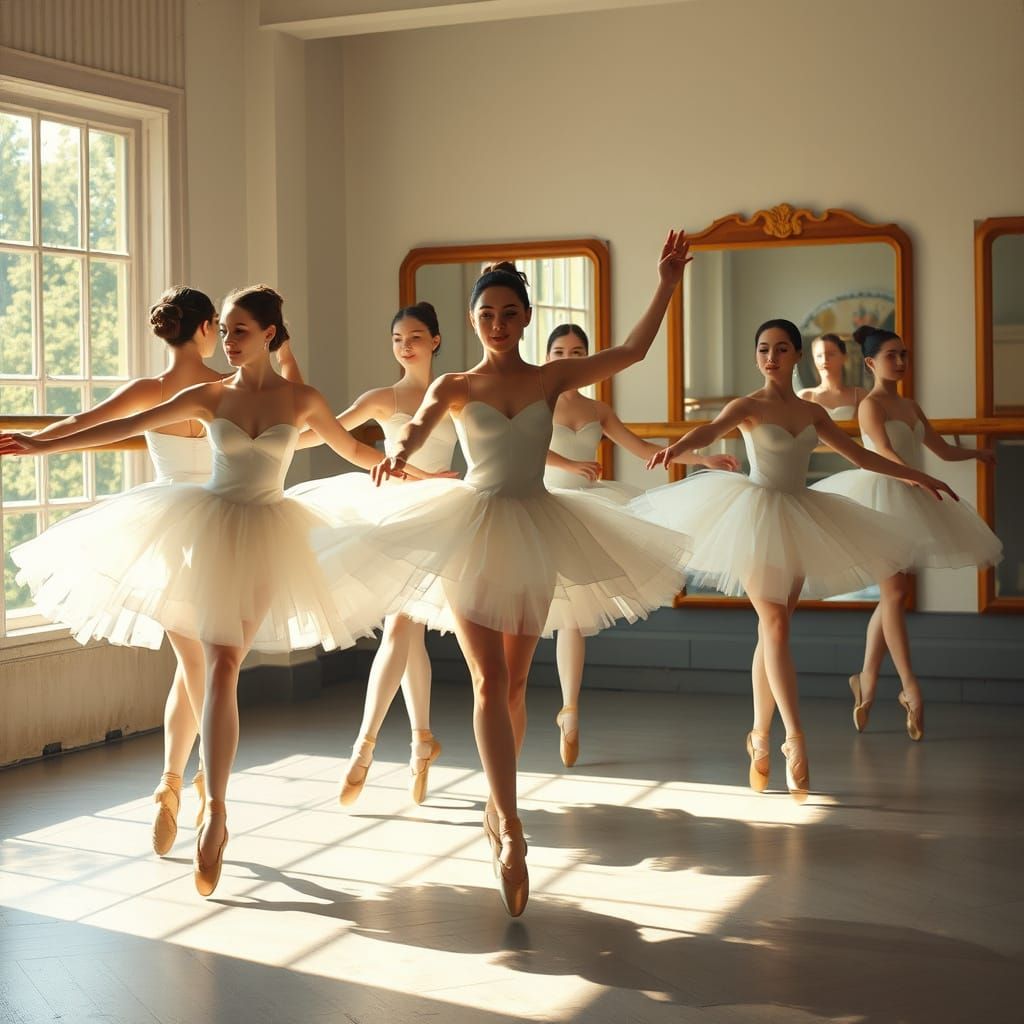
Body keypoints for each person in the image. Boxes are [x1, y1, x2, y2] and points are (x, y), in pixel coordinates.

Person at [1, 285, 397, 897]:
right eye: (226, 330)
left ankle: (185, 790)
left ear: (269, 333)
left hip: (270, 534)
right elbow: (121, 424)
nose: (230, 341)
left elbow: (354, 450)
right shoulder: (208, 395)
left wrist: (412, 469)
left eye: (241, 331)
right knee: (216, 668)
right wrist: (39, 443)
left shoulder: (303, 399)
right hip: (206, 530)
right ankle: (215, 810)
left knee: (221, 666)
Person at [358, 231, 695, 915]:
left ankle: (495, 798)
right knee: (486, 680)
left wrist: (665, 282)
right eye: (487, 315)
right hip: (472, 527)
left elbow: (630, 352)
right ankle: (511, 827)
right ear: (475, 321)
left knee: (513, 684)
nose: (498, 325)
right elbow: (421, 424)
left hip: (537, 526)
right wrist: (399, 457)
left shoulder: (551, 378)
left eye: (510, 314)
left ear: (527, 319)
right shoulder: (456, 383)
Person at [642, 319, 956, 801]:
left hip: (799, 517)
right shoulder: (747, 406)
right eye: (763, 349)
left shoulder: (813, 414)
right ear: (757, 357)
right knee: (776, 625)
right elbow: (710, 429)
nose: (771, 357)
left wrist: (920, 478)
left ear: (795, 357)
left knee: (773, 631)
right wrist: (678, 448)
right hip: (753, 514)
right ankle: (794, 738)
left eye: (781, 349)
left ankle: (758, 736)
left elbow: (863, 456)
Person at [19, 287, 226, 855]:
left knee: (191, 664)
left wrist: (37, 444)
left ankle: (170, 784)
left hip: (165, 525)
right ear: (208, 327)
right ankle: (205, 781)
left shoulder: (150, 390)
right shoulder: (225, 388)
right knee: (206, 663)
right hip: (219, 525)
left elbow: (89, 422)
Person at [542, 322, 738, 768]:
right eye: (559, 352)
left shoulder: (598, 409)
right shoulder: (536, 402)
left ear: (589, 361)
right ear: (547, 357)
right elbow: (524, 447)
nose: (568, 360)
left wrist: (699, 457)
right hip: (542, 507)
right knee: (525, 610)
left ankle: (569, 710)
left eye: (577, 353)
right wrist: (569, 462)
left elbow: (642, 447)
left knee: (572, 615)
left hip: (587, 512)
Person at [287, 302, 458, 804]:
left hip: (443, 513)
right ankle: (410, 742)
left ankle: (377, 746)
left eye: (416, 337)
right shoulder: (381, 398)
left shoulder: (457, 393)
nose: (406, 346)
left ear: (436, 341)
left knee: (408, 628)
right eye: (398, 339)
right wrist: (269, 440)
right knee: (405, 628)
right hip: (393, 515)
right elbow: (323, 431)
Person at [813, 326, 1001, 740]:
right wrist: (921, 481)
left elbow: (940, 449)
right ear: (870, 363)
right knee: (895, 595)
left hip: (912, 496)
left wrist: (976, 451)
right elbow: (885, 453)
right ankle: (910, 688)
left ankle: (865, 680)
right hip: (881, 499)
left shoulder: (910, 406)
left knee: (893, 596)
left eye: (904, 354)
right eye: (891, 355)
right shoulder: (870, 405)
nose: (899, 362)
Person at [798, 332, 866, 419]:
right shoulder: (805, 397)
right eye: (819, 356)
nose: (824, 360)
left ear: (844, 357)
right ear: (814, 359)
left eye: (831, 354)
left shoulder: (860, 395)